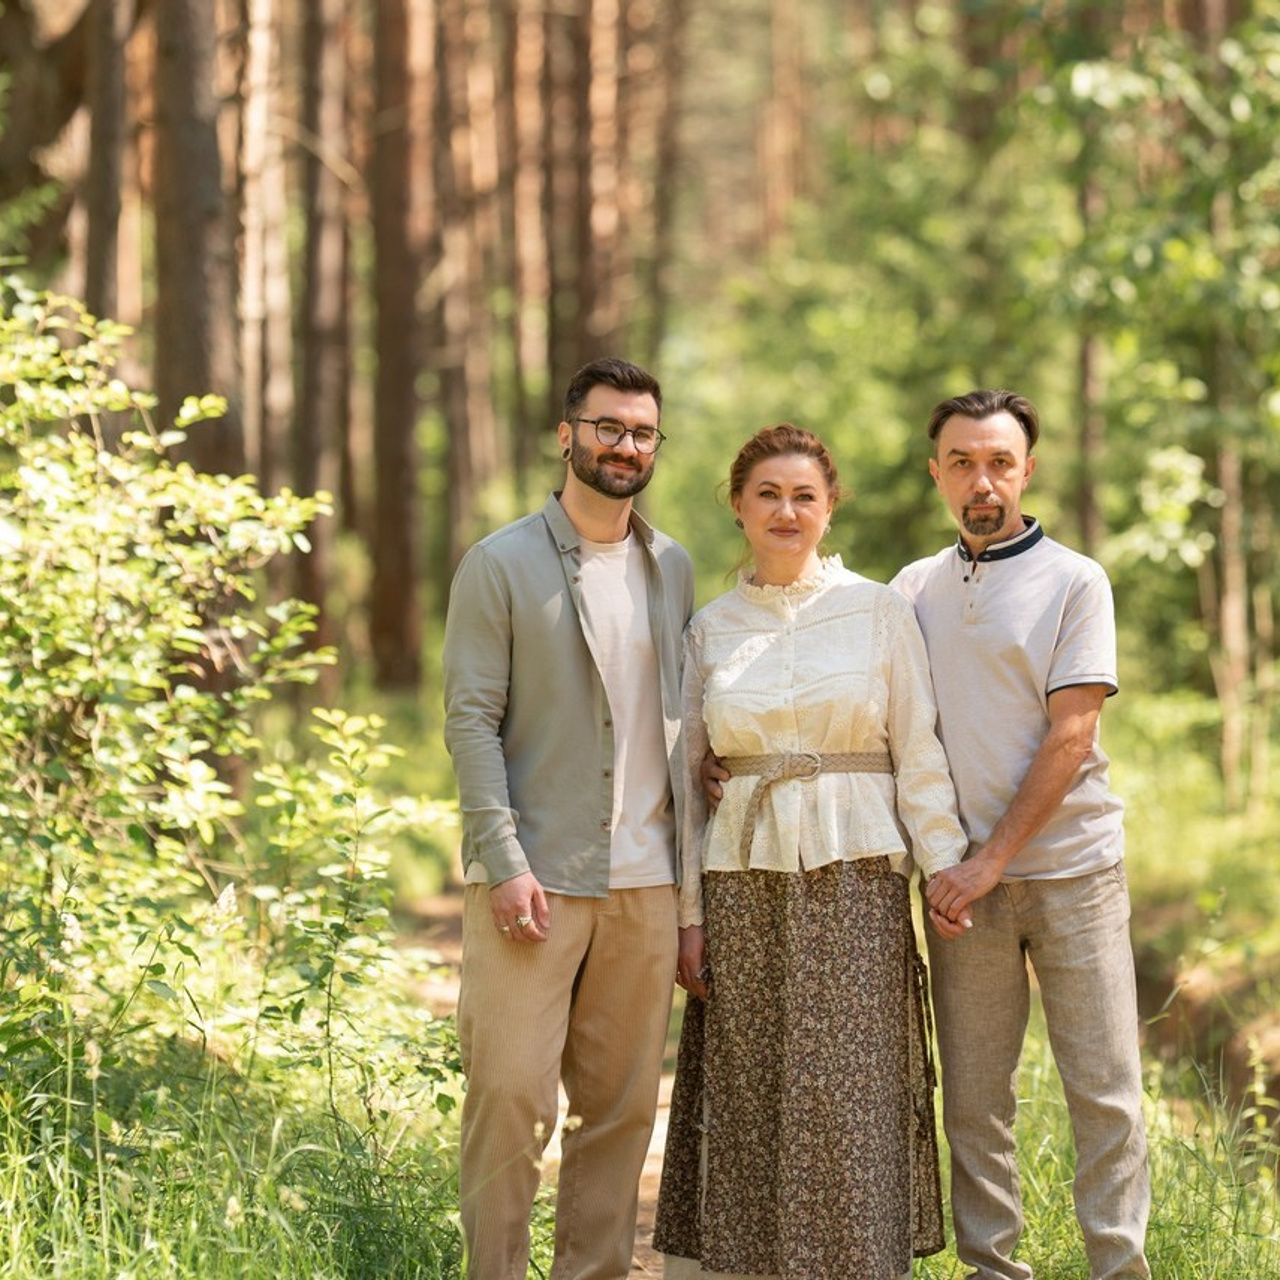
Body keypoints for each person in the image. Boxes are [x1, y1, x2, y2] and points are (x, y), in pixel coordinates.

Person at [652, 423, 971, 1280]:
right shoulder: (710, 629)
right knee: (753, 1095)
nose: (786, 510)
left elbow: (921, 753)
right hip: (742, 883)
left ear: (830, 507)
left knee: (848, 1098)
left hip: (856, 883)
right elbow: (687, 786)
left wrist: (944, 872)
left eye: (804, 495)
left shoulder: (880, 613)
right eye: (768, 494)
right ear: (738, 507)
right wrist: (689, 918)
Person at [441, 357, 693, 1279]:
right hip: (534, 876)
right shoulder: (499, 563)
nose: (625, 446)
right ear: (567, 435)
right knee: (509, 1097)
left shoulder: (674, 567)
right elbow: (470, 719)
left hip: (647, 884)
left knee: (621, 1113)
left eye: (641, 433)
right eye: (607, 428)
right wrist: (501, 858)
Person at [893, 388, 1151, 1280]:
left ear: (1027, 470)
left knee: (1105, 1093)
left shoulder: (1076, 581)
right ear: (937, 475)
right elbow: (866, 713)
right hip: (963, 892)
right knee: (973, 1099)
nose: (982, 482)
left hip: (1074, 875)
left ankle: (1118, 1268)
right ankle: (990, 1270)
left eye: (999, 462)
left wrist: (987, 863)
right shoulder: (911, 590)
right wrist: (725, 757)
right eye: (962, 462)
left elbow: (1073, 736)